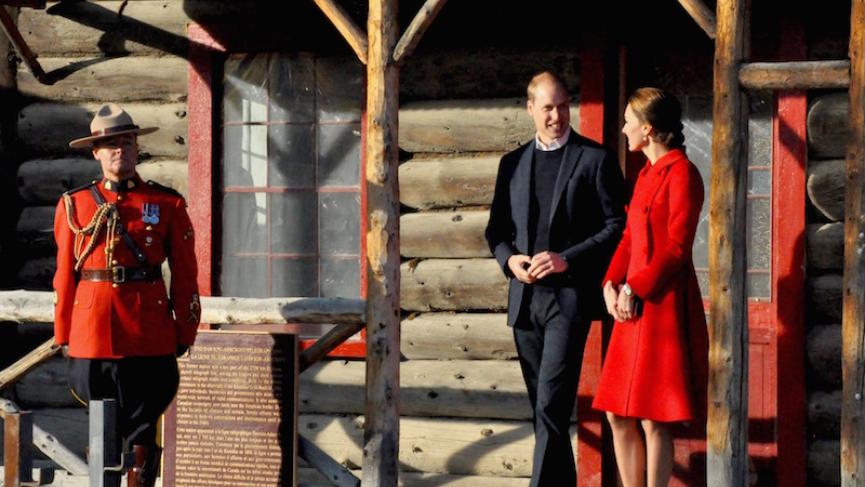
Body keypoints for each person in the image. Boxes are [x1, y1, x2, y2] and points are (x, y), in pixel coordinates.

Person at [485, 71, 626, 486]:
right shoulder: (512, 164)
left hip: (568, 301)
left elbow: (616, 226)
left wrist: (567, 259)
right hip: (525, 301)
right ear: (530, 109)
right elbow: (496, 232)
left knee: (550, 403)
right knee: (545, 410)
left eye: (563, 106)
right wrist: (510, 261)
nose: (557, 116)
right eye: (548, 107)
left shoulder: (595, 159)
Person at [53, 103, 201, 487]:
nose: (120, 150)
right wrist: (63, 332)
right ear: (96, 152)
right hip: (91, 334)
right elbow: (64, 277)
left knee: (143, 431)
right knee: (101, 429)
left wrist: (184, 331)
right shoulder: (74, 204)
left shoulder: (166, 204)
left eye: (128, 142)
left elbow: (185, 275)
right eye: (111, 144)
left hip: (148, 333)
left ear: (138, 148)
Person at [593, 87, 709, 487]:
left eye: (628, 122)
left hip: (662, 305)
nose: (623, 129)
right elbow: (629, 238)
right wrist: (610, 282)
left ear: (647, 128)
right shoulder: (644, 175)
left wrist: (635, 288)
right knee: (616, 413)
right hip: (631, 305)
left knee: (654, 416)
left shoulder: (683, 173)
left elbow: (677, 247)